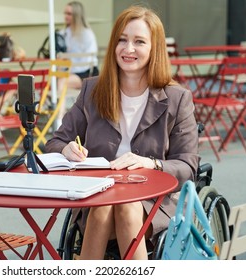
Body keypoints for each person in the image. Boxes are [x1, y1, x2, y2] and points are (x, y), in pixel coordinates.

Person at [45, 5, 200, 260]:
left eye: (139, 41)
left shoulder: (177, 98)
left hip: (153, 201)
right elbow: (55, 141)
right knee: (105, 204)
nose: (128, 49)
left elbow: (187, 167)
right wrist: (66, 148)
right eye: (122, 40)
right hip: (99, 195)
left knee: (126, 207)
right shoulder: (92, 91)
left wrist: (150, 163)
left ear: (154, 48)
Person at [55, 1, 100, 127]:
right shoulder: (65, 32)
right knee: (53, 80)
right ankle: (56, 113)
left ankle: (59, 120)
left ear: (76, 15)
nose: (66, 16)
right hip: (72, 72)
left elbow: (89, 61)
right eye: (65, 13)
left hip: (87, 73)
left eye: (69, 13)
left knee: (61, 82)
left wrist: (68, 69)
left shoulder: (87, 34)